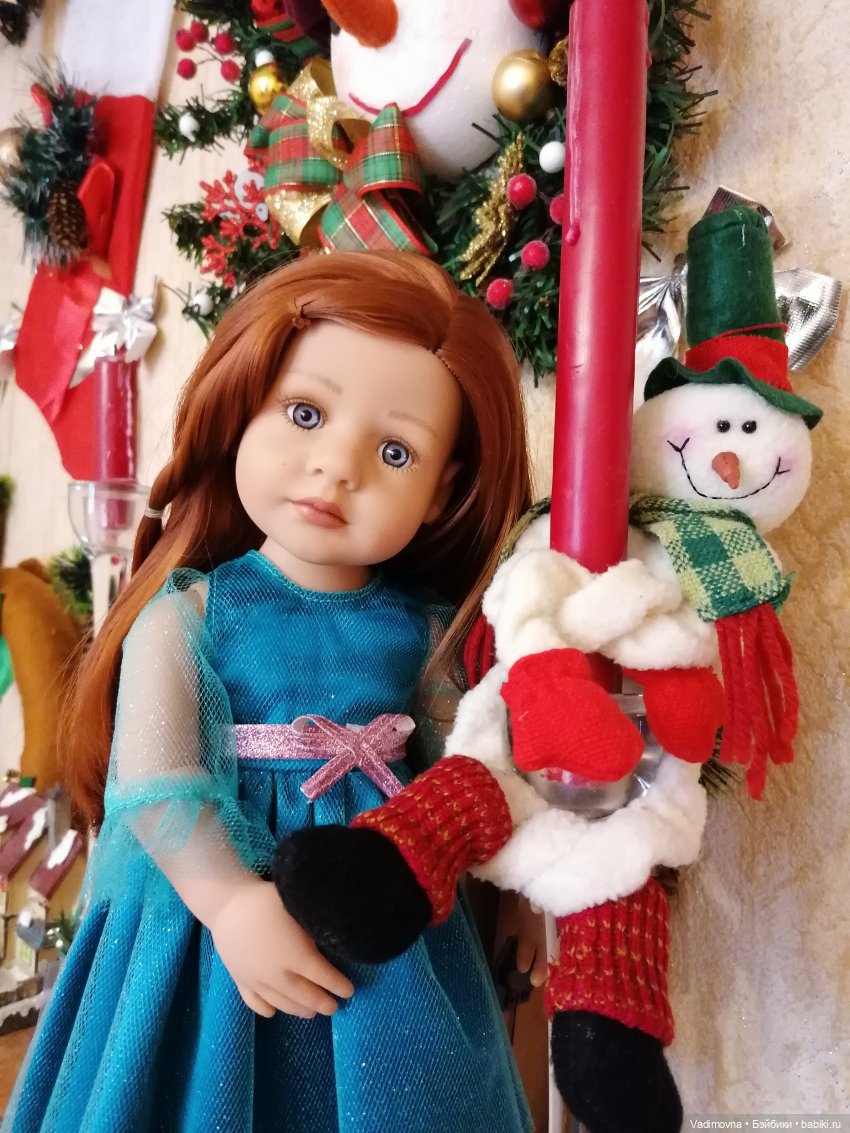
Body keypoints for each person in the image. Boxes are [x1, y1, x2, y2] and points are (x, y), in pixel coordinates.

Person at [4, 251, 534, 1133]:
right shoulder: (187, 614)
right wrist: (226, 901)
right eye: (305, 413)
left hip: (390, 935)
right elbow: (157, 778)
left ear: (443, 492)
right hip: (206, 920)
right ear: (243, 404)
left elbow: (480, 772)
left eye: (395, 451)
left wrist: (520, 896)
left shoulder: (432, 632)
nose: (336, 467)